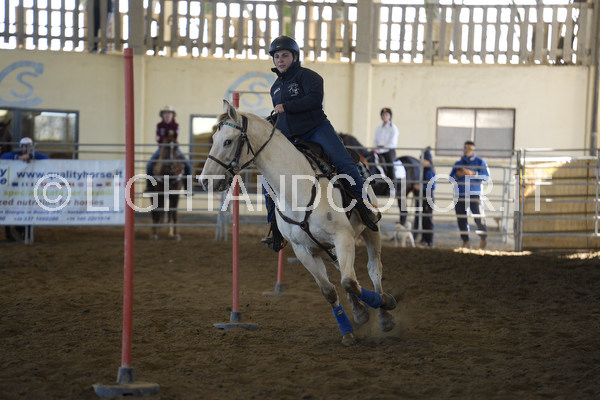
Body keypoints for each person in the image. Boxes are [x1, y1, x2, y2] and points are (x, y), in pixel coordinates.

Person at [262, 35, 380, 246]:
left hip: (316, 129)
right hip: (292, 136)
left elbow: (314, 100)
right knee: (269, 176)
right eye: (276, 56)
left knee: (344, 162)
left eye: (285, 55)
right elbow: (282, 115)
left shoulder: (309, 77)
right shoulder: (275, 88)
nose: (280, 60)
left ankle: (365, 206)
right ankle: (274, 225)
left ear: (295, 57)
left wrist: (286, 107)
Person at [1, 137, 49, 242]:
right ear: (20, 147)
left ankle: (24, 232)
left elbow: (47, 158)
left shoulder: (35, 155)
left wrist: (30, 156)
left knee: (29, 209)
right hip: (16, 190)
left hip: (30, 189)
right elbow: (4, 157)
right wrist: (18, 157)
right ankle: (17, 231)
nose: (26, 148)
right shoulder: (15, 154)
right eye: (24, 146)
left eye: (28, 146)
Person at [449, 140, 490, 249]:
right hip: (460, 194)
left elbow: (486, 177)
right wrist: (458, 175)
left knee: (479, 217)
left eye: (469, 148)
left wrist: (472, 173)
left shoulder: (480, 162)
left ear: (473, 150)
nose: (467, 150)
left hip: (474, 194)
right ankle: (465, 241)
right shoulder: (458, 164)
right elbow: (451, 178)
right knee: (461, 218)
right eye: (465, 148)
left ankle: (483, 238)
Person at [146, 105, 191, 188]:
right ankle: (149, 186)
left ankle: (188, 187)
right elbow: (158, 138)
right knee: (149, 164)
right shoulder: (159, 125)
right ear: (162, 115)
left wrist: (162, 138)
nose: (167, 115)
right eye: (165, 113)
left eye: (169, 113)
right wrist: (165, 137)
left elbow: (171, 137)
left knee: (188, 164)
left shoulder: (176, 125)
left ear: (173, 115)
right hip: (161, 149)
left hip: (174, 148)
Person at [414, 147, 435, 247]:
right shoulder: (421, 170)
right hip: (421, 197)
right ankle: (423, 238)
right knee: (422, 218)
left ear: (428, 161)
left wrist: (420, 187)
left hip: (428, 197)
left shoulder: (429, 170)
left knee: (427, 219)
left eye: (423, 159)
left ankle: (429, 240)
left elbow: (432, 186)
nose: (421, 161)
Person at [372, 107, 399, 183]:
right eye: (383, 115)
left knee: (390, 165)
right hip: (377, 150)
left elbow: (392, 143)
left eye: (386, 115)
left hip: (388, 150)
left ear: (390, 116)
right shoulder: (378, 128)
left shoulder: (393, 128)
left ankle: (393, 185)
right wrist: (374, 148)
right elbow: (375, 140)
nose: (384, 116)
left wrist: (380, 150)